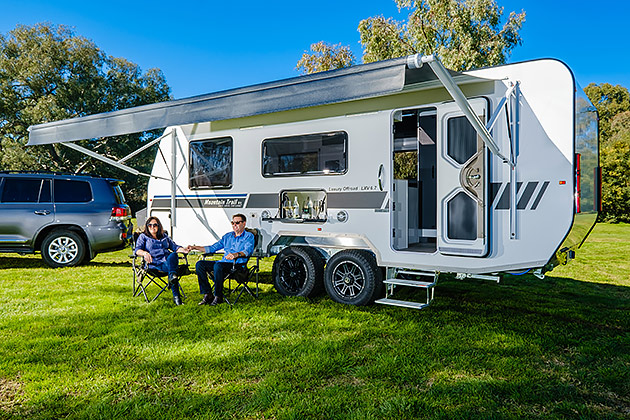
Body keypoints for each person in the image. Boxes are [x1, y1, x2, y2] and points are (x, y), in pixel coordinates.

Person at [188, 213, 255, 306]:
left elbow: (248, 250)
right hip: (224, 263)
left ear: (244, 224)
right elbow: (212, 248)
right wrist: (195, 247)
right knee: (200, 264)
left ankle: (218, 296)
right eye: (233, 223)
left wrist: (236, 254)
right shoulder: (227, 236)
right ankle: (208, 294)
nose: (234, 225)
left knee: (218, 265)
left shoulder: (249, 236)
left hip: (237, 265)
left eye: (237, 223)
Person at [134, 216, 188, 305]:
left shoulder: (164, 236)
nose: (152, 227)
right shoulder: (143, 237)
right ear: (147, 226)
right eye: (150, 225)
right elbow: (137, 250)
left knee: (173, 255)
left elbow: (174, 247)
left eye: (155, 225)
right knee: (173, 271)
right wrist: (144, 253)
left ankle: (172, 279)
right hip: (155, 265)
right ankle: (176, 297)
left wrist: (184, 250)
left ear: (159, 226)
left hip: (167, 262)